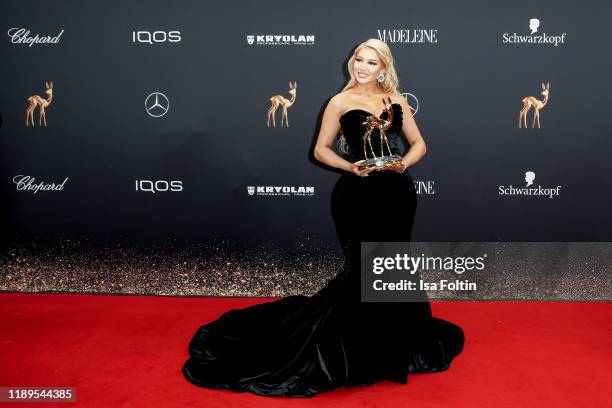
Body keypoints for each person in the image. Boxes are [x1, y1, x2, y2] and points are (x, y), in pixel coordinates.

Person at [182, 38, 464, 398]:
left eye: (371, 62)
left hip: (396, 194)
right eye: (358, 59)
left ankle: (394, 339)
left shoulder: (398, 101)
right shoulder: (340, 101)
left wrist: (401, 164)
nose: (362, 66)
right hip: (358, 194)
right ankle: (356, 346)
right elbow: (320, 149)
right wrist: (351, 166)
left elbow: (420, 144)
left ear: (384, 68)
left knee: (393, 262)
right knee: (365, 265)